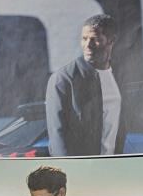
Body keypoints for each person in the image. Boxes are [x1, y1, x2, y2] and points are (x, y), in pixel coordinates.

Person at [45, 13, 126, 156]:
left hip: (113, 165)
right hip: (82, 168)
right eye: (84, 38)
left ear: (111, 40)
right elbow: (58, 136)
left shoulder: (119, 76)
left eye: (95, 39)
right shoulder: (63, 79)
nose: (87, 45)